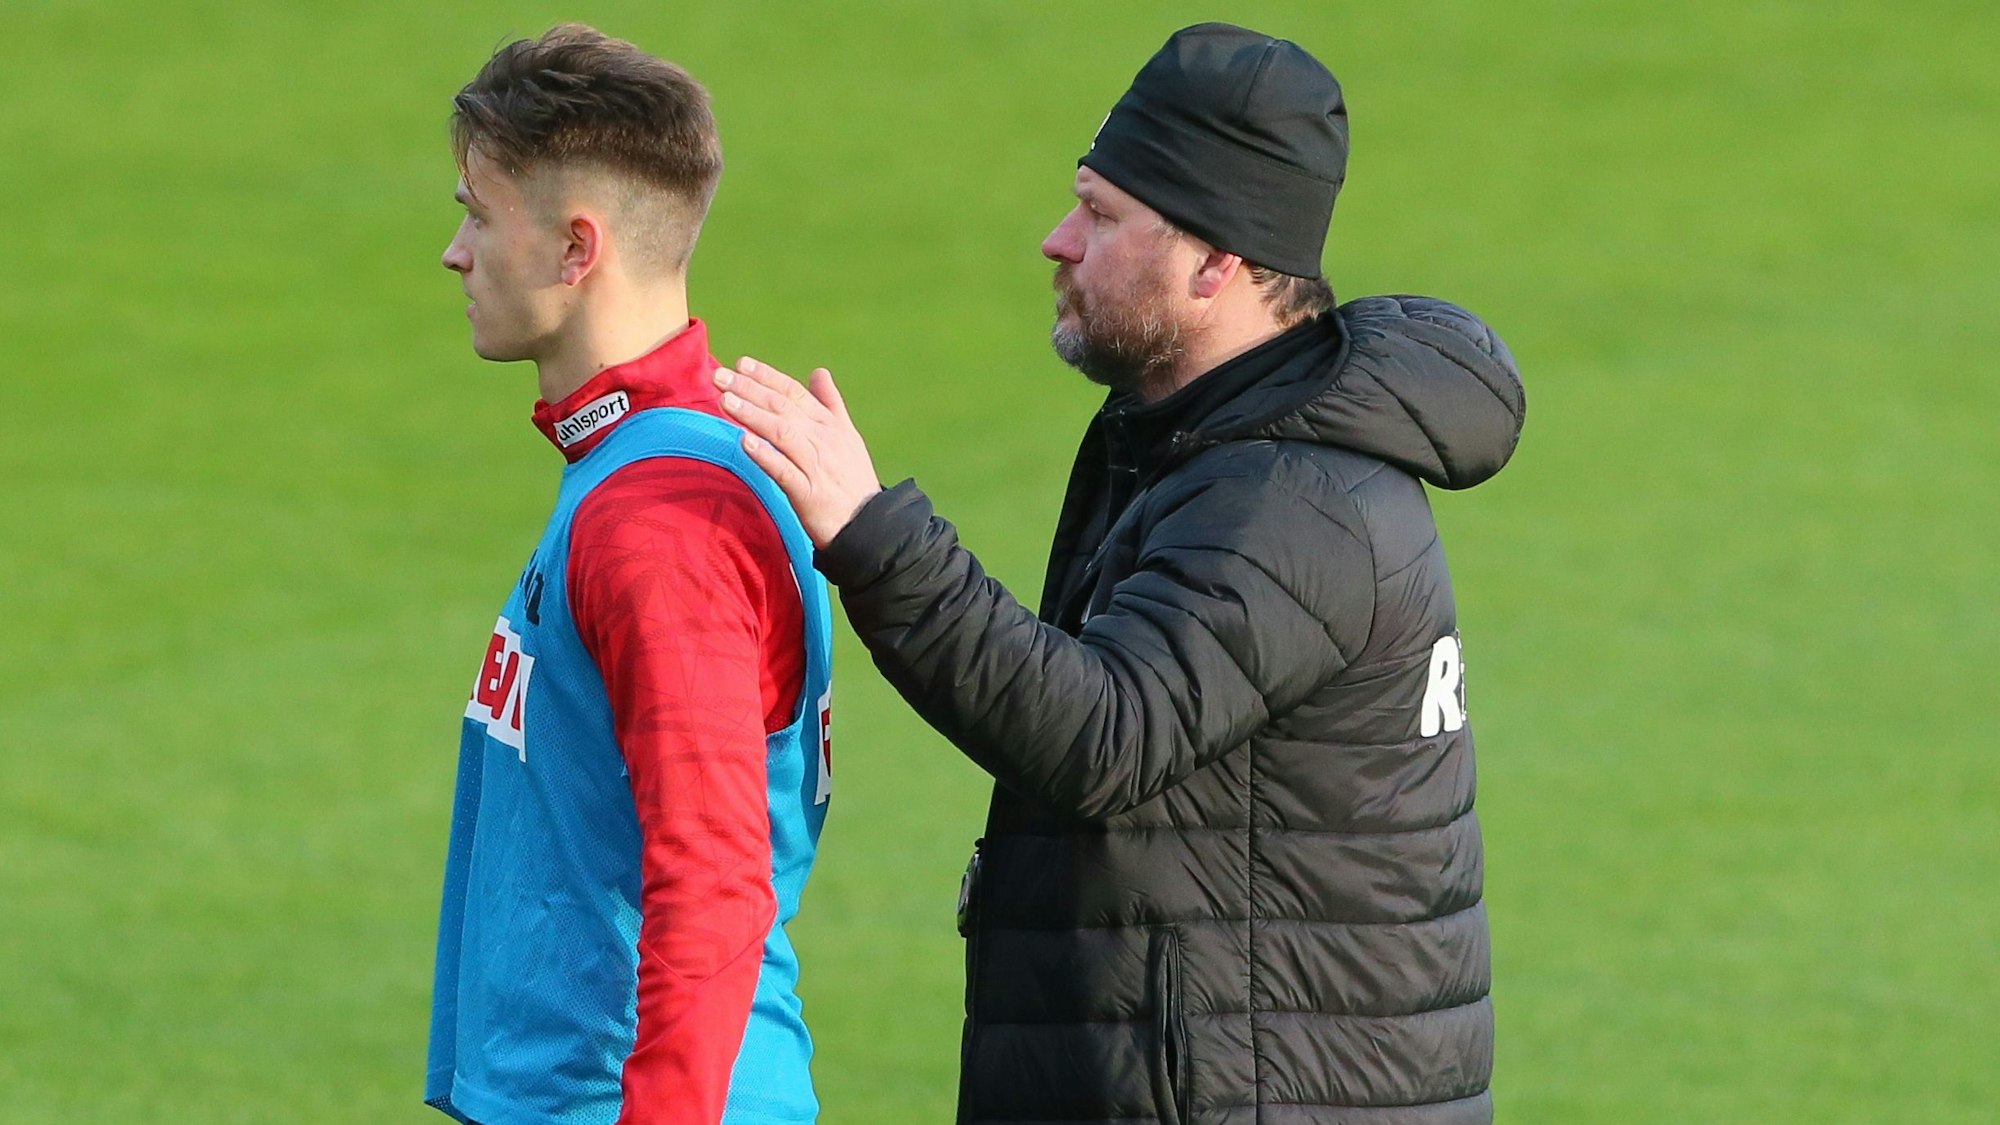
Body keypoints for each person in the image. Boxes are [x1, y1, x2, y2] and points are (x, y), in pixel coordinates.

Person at [715, 22, 1525, 1125]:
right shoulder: (1200, 446)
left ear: (1215, 262)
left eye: (1100, 215)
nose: (1056, 240)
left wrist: (869, 531)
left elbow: (1104, 736)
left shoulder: (1291, 501)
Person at [425, 25, 833, 1125]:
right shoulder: (643, 466)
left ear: (574, 249)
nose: (455, 252)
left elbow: (713, 876)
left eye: (477, 214)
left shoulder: (661, 519)